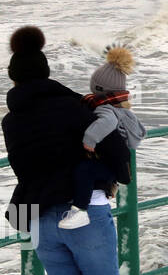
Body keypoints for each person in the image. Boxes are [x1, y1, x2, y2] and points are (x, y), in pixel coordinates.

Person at [1, 26, 128, 275]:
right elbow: (113, 144)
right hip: (83, 209)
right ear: (46, 72)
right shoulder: (72, 105)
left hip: (38, 217)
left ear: (14, 80)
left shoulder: (10, 121)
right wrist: (119, 175)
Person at [59, 45, 146, 230]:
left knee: (84, 170)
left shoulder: (105, 108)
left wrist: (89, 139)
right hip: (116, 161)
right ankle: (104, 189)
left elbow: (106, 123)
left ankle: (80, 211)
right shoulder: (116, 105)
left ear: (98, 87)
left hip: (112, 163)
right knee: (88, 170)